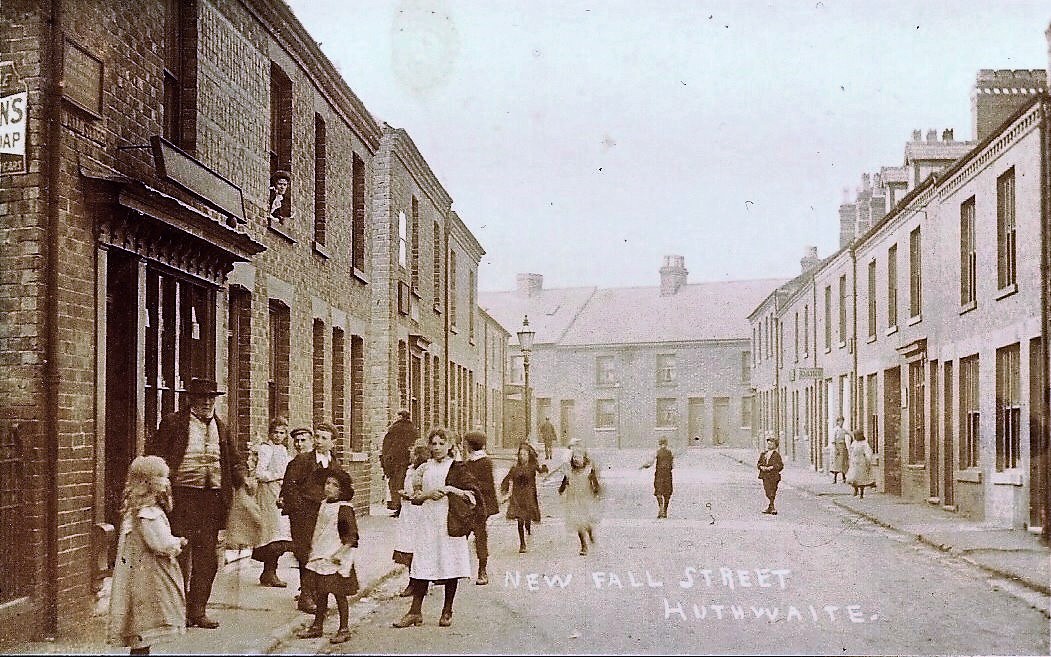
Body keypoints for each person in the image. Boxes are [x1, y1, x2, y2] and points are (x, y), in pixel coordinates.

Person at [145, 377, 244, 629]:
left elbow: (234, 460)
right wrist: (159, 487)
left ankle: (197, 610)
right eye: (202, 398)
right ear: (191, 400)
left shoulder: (222, 428)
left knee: (207, 558)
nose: (207, 403)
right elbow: (155, 456)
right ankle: (174, 610)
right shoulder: (173, 423)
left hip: (212, 500)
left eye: (211, 398)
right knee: (179, 553)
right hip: (182, 497)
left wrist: (244, 479)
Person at [392, 428, 482, 629]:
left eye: (442, 443)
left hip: (450, 523)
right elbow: (414, 498)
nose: (438, 447)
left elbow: (473, 495)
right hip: (428, 522)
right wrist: (425, 495)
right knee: (422, 564)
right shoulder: (423, 468)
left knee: (450, 564)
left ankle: (447, 610)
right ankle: (415, 611)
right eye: (434, 443)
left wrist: (450, 490)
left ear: (450, 445)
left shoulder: (458, 468)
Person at [108, 456, 187, 655]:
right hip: (149, 575)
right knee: (147, 620)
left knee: (140, 624)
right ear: (148, 482)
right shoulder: (148, 513)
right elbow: (161, 543)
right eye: (161, 477)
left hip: (137, 572)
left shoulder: (135, 510)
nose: (166, 481)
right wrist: (177, 543)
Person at [281, 423, 345, 614]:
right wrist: (299, 509)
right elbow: (289, 488)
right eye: (317, 437)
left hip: (324, 516)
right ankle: (306, 595)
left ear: (333, 442)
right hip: (304, 515)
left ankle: (317, 592)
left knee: (321, 552)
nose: (318, 441)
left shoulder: (334, 462)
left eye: (324, 438)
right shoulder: (301, 461)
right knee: (305, 553)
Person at [295, 470, 358, 645]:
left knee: (339, 594)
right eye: (327, 484)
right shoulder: (323, 504)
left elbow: (351, 537)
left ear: (342, 491)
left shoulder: (344, 509)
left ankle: (344, 628)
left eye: (334, 485)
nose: (329, 487)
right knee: (320, 593)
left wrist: (340, 554)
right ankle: (317, 626)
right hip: (320, 554)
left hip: (335, 557)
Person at [251, 417, 294, 587]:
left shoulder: (282, 449)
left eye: (282, 433)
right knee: (272, 533)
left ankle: (270, 571)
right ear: (270, 433)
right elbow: (260, 473)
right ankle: (269, 573)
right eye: (275, 432)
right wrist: (278, 476)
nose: (278, 436)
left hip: (279, 492)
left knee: (281, 533)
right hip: (268, 494)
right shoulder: (266, 449)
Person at [392, 443, 430, 597]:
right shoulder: (410, 470)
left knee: (417, 549)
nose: (410, 455)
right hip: (407, 513)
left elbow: (423, 492)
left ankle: (417, 584)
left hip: (418, 514)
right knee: (407, 549)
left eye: (413, 453)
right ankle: (412, 581)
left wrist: (410, 495)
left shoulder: (425, 471)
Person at [462, 431, 499, 585]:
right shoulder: (467, 462)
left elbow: (488, 485)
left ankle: (482, 570)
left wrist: (472, 486)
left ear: (471, 445)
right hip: (466, 506)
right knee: (460, 535)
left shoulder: (484, 462)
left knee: (480, 537)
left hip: (480, 506)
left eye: (466, 444)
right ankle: (456, 570)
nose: (464, 446)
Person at [501, 443, 546, 553]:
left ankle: (528, 527)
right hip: (517, 496)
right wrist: (505, 487)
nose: (522, 457)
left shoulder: (532, 466)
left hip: (529, 495)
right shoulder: (515, 467)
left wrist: (544, 467)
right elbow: (508, 478)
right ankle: (522, 543)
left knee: (527, 517)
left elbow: (541, 471)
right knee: (520, 520)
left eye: (525, 454)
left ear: (529, 455)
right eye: (520, 454)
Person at [559, 445, 601, 556]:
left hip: (585, 499)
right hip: (573, 500)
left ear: (584, 459)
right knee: (578, 523)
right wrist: (561, 489)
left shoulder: (588, 471)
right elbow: (564, 483)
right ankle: (583, 545)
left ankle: (590, 532)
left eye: (579, 457)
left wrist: (596, 491)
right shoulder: (570, 472)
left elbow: (595, 484)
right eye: (574, 457)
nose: (576, 459)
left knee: (585, 521)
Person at [381, 410, 420, 518]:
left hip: (395, 462)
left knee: (395, 484)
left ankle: (398, 507)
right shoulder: (413, 429)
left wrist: (386, 460)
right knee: (405, 483)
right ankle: (403, 507)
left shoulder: (395, 428)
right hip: (408, 461)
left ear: (400, 417)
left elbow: (388, 445)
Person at [846, 431, 877, 499]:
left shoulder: (864, 443)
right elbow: (851, 451)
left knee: (861, 479)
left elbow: (868, 452)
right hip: (854, 461)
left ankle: (861, 493)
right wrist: (850, 458)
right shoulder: (854, 443)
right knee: (854, 477)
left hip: (861, 462)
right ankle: (855, 490)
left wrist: (868, 460)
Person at [757, 436, 784, 515]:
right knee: (767, 491)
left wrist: (772, 467)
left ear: (775, 445)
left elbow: (780, 465)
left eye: (771, 444)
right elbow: (759, 463)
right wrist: (761, 467)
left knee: (772, 491)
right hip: (765, 476)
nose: (769, 446)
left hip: (774, 476)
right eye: (768, 444)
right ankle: (770, 506)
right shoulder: (763, 454)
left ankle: (772, 507)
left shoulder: (776, 455)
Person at [652, 438, 674, 519]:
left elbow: (650, 462)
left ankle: (660, 507)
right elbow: (672, 465)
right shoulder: (670, 452)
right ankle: (665, 510)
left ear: (659, 444)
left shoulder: (657, 452)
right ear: (666, 444)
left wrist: (644, 466)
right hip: (668, 475)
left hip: (659, 475)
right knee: (667, 493)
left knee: (658, 492)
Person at [830, 417, 849, 484]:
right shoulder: (835, 430)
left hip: (843, 447)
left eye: (843, 421)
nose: (842, 422)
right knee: (837, 464)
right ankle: (834, 479)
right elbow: (833, 441)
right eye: (840, 421)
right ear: (837, 422)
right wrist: (836, 449)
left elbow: (849, 433)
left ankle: (844, 477)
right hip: (837, 447)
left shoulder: (843, 430)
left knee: (843, 463)